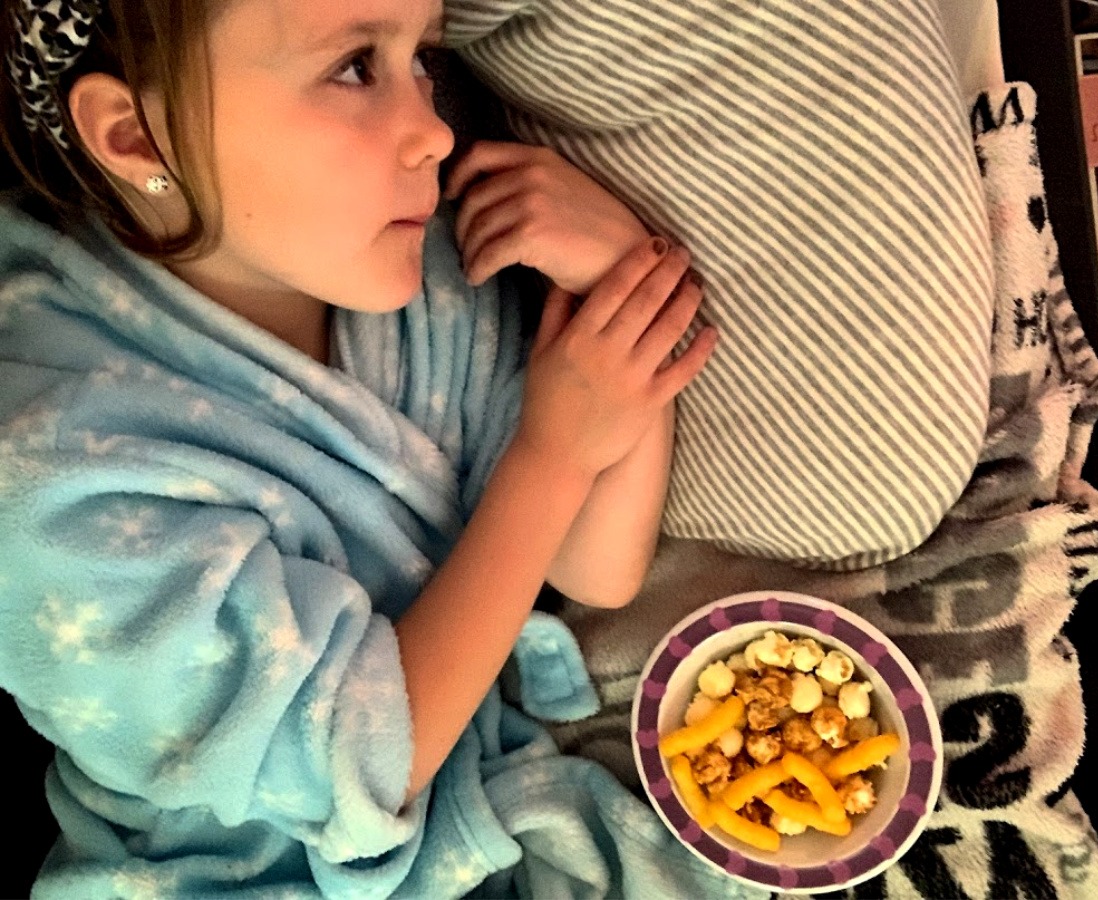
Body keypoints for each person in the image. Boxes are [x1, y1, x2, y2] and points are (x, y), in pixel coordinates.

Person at [0, 0, 731, 896]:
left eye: (423, 57)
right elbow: (358, 767)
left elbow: (594, 566)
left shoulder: (420, 267)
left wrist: (616, 286)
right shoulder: (50, 477)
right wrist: (553, 458)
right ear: (136, 135)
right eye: (353, 67)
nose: (434, 129)